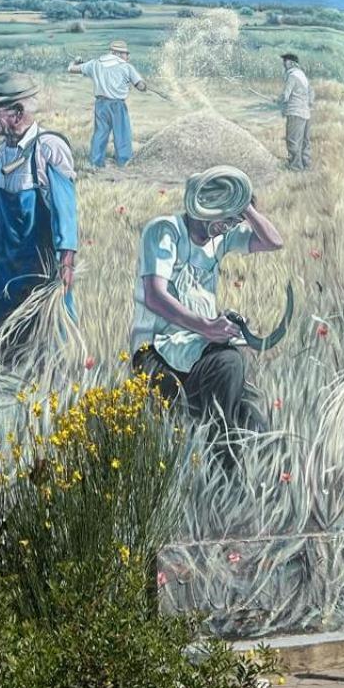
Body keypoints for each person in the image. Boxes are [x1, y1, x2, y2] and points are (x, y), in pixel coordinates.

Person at [131, 166, 283, 473]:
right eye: (224, 218)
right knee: (230, 366)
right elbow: (154, 296)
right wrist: (206, 327)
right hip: (157, 352)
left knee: (251, 419)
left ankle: (254, 479)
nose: (228, 227)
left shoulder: (220, 237)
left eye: (232, 220)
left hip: (194, 347)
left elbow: (273, 242)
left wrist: (245, 207)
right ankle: (222, 466)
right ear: (203, 208)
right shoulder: (165, 230)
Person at [0, 72, 78, 361]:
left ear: (18, 112)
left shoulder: (48, 148)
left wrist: (66, 260)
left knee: (38, 339)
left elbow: (65, 208)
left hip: (34, 262)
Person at [69, 39, 146, 168]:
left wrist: (75, 61)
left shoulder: (95, 64)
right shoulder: (126, 67)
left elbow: (71, 69)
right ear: (119, 54)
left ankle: (96, 162)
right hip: (118, 105)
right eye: (126, 53)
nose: (127, 56)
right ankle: (124, 162)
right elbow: (141, 86)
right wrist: (143, 84)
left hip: (101, 104)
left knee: (100, 133)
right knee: (122, 133)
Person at [280, 52, 313, 171]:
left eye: (285, 61)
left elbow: (285, 96)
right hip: (306, 113)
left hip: (295, 112)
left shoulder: (292, 76)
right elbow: (311, 94)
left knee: (293, 140)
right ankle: (306, 164)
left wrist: (278, 100)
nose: (284, 64)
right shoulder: (303, 76)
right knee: (305, 141)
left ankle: (295, 167)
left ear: (291, 63)